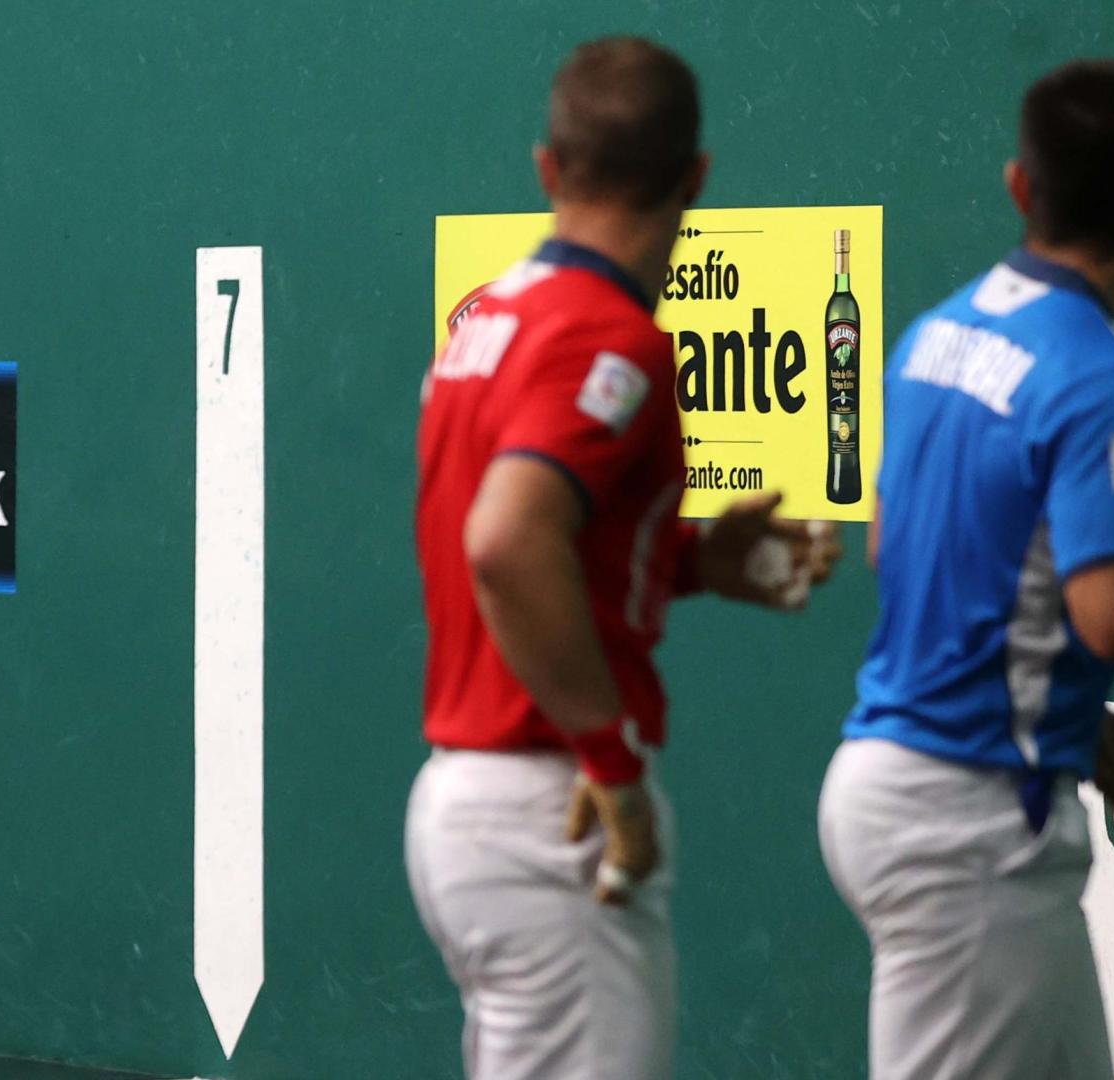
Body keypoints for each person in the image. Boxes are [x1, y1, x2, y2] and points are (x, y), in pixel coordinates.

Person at [406, 37, 841, 1079]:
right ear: (696, 179)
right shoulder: (609, 338)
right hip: (552, 807)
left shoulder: (489, 323)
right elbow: (507, 542)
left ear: (548, 169)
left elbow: (542, 537)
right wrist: (613, 767)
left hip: (470, 807)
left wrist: (685, 561)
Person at [817, 60, 1114, 1078]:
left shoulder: (936, 337)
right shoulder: (1104, 378)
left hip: (928, 793)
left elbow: (902, 551)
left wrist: (1080, 727)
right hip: (966, 831)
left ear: (1020, 184)